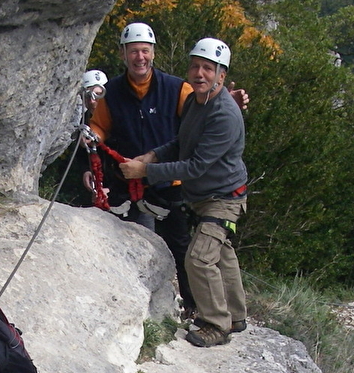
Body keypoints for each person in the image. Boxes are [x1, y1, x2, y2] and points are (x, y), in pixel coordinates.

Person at [88, 22, 249, 320]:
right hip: (136, 177)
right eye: (134, 51)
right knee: (215, 253)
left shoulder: (178, 90)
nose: (140, 57)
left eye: (145, 51)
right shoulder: (114, 93)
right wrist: (143, 155)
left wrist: (147, 169)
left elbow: (200, 157)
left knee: (191, 252)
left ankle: (208, 315)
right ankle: (231, 316)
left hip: (181, 184)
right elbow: (182, 137)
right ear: (123, 54)